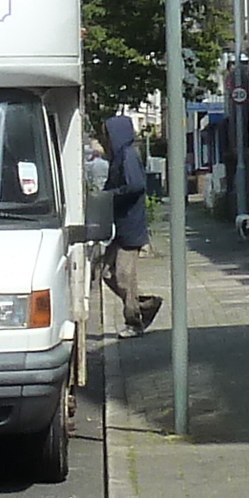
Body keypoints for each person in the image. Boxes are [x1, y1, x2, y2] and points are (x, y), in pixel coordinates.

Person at [101, 107, 160, 335]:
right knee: (106, 272)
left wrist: (112, 195)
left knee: (124, 276)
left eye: (107, 134)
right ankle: (146, 305)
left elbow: (136, 186)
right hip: (119, 227)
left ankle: (134, 322)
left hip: (130, 226)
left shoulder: (128, 156)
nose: (105, 139)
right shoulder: (118, 158)